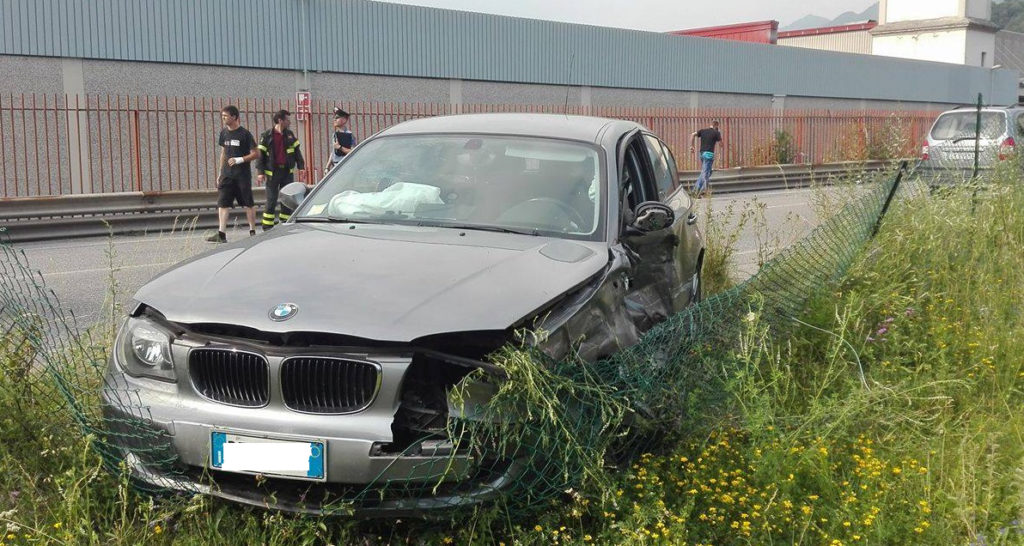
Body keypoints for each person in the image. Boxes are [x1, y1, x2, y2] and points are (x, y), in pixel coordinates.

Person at [206, 105, 259, 243]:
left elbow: (256, 153)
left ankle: (252, 231)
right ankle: (221, 234)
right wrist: (219, 172)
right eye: (222, 116)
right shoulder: (223, 133)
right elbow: (223, 152)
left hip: (242, 175)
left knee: (248, 203)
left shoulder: (245, 134)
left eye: (225, 116)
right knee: (223, 203)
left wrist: (240, 159)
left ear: (234, 117)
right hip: (227, 175)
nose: (223, 118)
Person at [256, 109, 305, 230]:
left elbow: (297, 152)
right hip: (272, 173)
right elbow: (260, 155)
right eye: (287, 120)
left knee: (287, 199)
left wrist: (301, 167)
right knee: (271, 200)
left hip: (287, 173)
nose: (289, 122)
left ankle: (284, 224)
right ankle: (267, 227)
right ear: (280, 120)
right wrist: (260, 172)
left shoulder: (290, 135)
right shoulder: (266, 136)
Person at [690, 120, 724, 195]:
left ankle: (704, 190)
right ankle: (695, 191)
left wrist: (692, 146)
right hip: (709, 155)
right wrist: (719, 135)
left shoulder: (703, 131)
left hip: (702, 154)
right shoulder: (716, 133)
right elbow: (721, 144)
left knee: (708, 172)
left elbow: (692, 134)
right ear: (716, 125)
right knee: (705, 173)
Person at [324, 108, 356, 174]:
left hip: (344, 166)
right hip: (335, 167)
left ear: (344, 120)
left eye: (337, 117)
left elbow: (353, 151)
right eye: (334, 118)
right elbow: (333, 152)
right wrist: (327, 167)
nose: (334, 119)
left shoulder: (349, 135)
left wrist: (339, 147)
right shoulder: (335, 134)